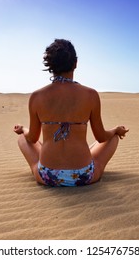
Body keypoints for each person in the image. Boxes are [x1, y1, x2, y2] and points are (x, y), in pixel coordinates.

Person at [14, 39, 129, 186]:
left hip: (48, 176)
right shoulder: (90, 94)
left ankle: (43, 169)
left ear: (51, 66)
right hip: (83, 175)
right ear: (75, 63)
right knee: (113, 137)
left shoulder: (37, 96)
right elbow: (101, 137)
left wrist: (23, 129)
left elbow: (32, 138)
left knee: (22, 139)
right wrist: (115, 130)